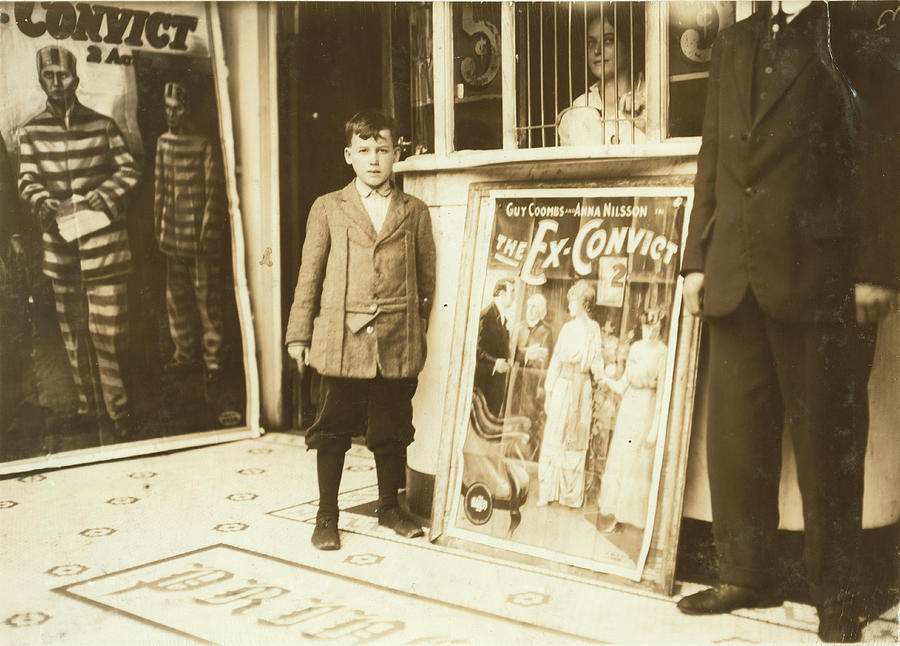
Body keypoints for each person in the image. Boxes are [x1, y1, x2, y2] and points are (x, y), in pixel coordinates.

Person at [675, 3, 899, 641]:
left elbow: (885, 158)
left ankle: (839, 596)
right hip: (733, 273)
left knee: (830, 442)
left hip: (822, 276)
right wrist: (696, 261)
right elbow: (712, 154)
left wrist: (878, 269)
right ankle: (746, 574)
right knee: (735, 436)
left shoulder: (857, 35)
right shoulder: (733, 43)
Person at [285, 109, 435, 551]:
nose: (374, 159)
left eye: (383, 150)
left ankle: (390, 507)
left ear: (397, 153)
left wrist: (414, 329)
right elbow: (309, 275)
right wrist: (299, 334)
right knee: (332, 426)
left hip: (395, 338)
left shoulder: (414, 212)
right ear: (349, 155)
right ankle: (326, 515)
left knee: (391, 428)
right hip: (339, 339)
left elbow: (426, 282)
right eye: (364, 151)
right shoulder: (328, 207)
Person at [16, 45, 140, 440]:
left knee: (108, 333)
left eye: (63, 75)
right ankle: (89, 409)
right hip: (62, 251)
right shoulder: (31, 132)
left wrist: (106, 192)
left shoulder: (103, 125)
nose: (57, 83)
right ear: (41, 81)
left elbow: (129, 170)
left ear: (76, 78)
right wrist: (42, 198)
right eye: (49, 76)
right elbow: (27, 179)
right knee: (74, 334)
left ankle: (120, 414)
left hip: (106, 250)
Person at [153, 81, 227, 402]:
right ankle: (183, 354)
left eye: (177, 108)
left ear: (188, 109)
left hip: (199, 242)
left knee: (207, 301)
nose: (171, 113)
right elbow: (160, 191)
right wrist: (160, 229)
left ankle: (213, 360)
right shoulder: (163, 143)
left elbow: (213, 193)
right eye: (167, 107)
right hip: (173, 238)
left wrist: (207, 234)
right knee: (176, 300)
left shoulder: (203, 144)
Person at [594, 308, 667, 533]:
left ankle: (632, 517)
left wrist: (655, 428)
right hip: (628, 406)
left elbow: (663, 393)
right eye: (646, 326)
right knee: (621, 458)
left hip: (646, 406)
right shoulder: (635, 347)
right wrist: (605, 380)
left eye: (654, 327)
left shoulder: (663, 353)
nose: (649, 332)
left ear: (660, 328)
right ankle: (615, 513)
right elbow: (624, 383)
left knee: (637, 461)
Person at [537, 280, 603, 508]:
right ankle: (547, 492)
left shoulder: (593, 329)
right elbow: (556, 360)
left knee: (575, 439)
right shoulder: (566, 328)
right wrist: (549, 389)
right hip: (564, 386)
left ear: (584, 303)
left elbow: (597, 362)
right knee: (554, 435)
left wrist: (604, 377)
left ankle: (570, 496)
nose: (570, 306)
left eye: (573, 301)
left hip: (581, 386)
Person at [559, 3, 646, 146]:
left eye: (608, 40)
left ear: (629, 44)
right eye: (591, 43)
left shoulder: (651, 100)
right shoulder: (578, 109)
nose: (597, 51)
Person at [507, 292, 554, 457]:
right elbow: (511, 354)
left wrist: (542, 386)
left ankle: (525, 455)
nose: (530, 310)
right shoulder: (518, 327)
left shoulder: (546, 331)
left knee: (529, 418)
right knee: (512, 416)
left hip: (533, 384)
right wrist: (527, 354)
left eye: (535, 307)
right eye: (529, 306)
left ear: (541, 312)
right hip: (515, 381)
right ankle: (509, 452)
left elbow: (545, 360)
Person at [474, 277, 515, 417]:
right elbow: (477, 350)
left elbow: (502, 349)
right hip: (485, 385)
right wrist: (495, 363)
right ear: (501, 294)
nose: (514, 297)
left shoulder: (502, 319)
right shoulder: (487, 316)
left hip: (495, 386)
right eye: (512, 292)